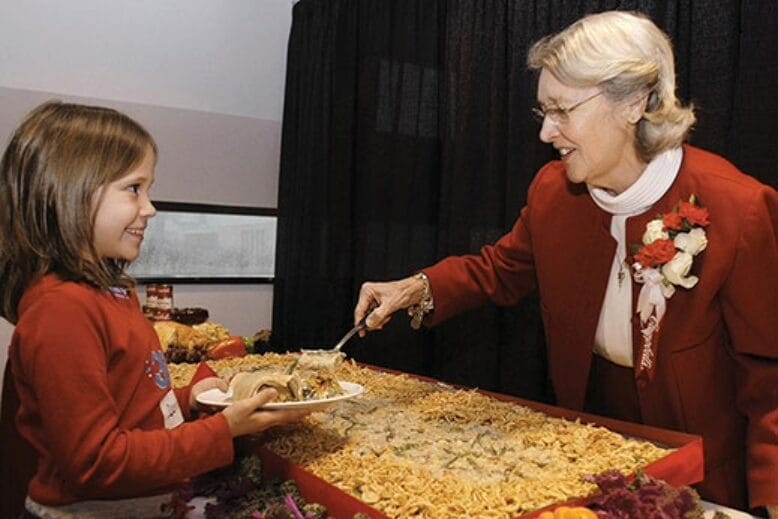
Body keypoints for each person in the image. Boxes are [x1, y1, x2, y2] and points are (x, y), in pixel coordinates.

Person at [353, 10, 777, 517]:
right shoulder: (554, 192)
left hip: (707, 477)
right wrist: (417, 287)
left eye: (563, 110)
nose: (547, 133)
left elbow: (769, 379)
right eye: (543, 113)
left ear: (635, 102)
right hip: (593, 458)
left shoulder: (739, 209)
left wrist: (770, 501)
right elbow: (500, 269)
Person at [0, 101, 309, 518]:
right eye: (134, 189)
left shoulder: (112, 295)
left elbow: (131, 409)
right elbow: (96, 461)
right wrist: (222, 430)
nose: (150, 208)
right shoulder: (62, 312)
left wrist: (189, 401)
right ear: (70, 192)